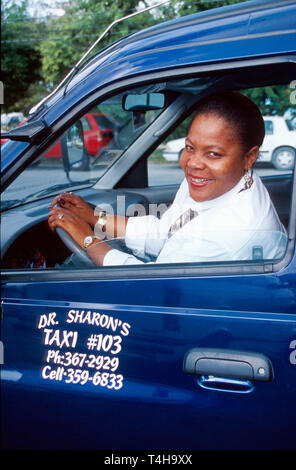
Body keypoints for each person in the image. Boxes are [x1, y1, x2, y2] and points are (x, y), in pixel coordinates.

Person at [48, 91, 287, 266]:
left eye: (213, 154)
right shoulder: (218, 183)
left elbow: (146, 283)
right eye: (190, 147)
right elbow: (164, 232)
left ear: (250, 157)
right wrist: (93, 217)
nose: (193, 163)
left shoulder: (226, 234)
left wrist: (87, 239)